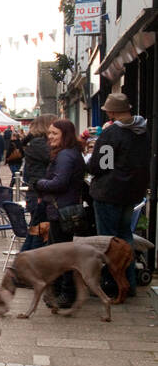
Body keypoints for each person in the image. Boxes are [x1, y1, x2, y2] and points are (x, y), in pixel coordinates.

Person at [88, 92, 150, 295]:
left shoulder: (112, 133)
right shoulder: (142, 131)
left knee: (108, 241)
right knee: (126, 238)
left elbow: (101, 164)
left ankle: (112, 284)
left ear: (112, 112)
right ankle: (128, 283)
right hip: (131, 193)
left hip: (109, 192)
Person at [34, 119, 88, 307]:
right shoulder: (71, 153)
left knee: (62, 255)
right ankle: (57, 290)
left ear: (65, 135)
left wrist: (39, 183)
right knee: (60, 252)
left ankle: (66, 294)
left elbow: (60, 182)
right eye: (49, 133)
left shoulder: (65, 155)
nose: (50, 137)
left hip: (61, 210)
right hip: (64, 208)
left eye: (54, 134)